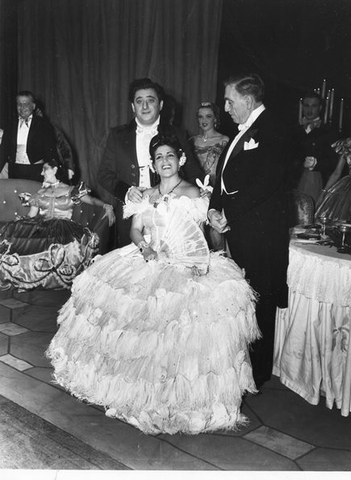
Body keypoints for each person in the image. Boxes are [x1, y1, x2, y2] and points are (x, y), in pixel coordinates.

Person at [46, 133, 259, 435]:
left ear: (181, 159)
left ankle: (179, 401)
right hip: (148, 258)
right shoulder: (145, 196)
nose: (165, 162)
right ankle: (139, 395)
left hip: (186, 266)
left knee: (183, 329)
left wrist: (210, 257)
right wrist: (144, 247)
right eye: (159, 157)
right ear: (153, 164)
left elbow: (206, 236)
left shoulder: (197, 195)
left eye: (170, 155)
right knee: (131, 324)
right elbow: (135, 230)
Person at [208, 73, 290, 390]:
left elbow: (265, 183)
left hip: (261, 235)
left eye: (229, 100)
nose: (226, 107)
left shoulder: (274, 129)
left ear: (248, 100)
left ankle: (256, 376)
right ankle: (243, 366)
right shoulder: (239, 133)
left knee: (259, 301)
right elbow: (223, 181)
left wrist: (228, 212)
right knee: (244, 299)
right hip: (239, 230)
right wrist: (213, 208)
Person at [97, 78, 204, 247]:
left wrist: (202, 194)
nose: (145, 106)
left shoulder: (177, 133)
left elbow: (193, 171)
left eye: (150, 100)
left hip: (169, 218)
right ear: (133, 107)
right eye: (139, 101)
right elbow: (103, 174)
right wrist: (126, 192)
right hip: (131, 216)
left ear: (160, 105)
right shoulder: (117, 135)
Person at [0, 159, 115, 290]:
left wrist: (106, 206)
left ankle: (54, 277)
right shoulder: (40, 193)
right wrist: (19, 222)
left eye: (44, 169)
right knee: (16, 236)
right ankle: (25, 276)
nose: (41, 173)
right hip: (42, 225)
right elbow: (32, 214)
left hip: (64, 227)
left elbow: (93, 201)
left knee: (61, 244)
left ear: (55, 170)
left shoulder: (72, 190)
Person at [189, 102, 229, 250]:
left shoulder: (224, 140)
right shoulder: (191, 141)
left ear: (215, 119)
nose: (204, 120)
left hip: (216, 191)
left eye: (208, 116)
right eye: (200, 116)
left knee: (215, 232)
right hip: (197, 191)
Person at [289, 92, 338, 203]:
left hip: (317, 182)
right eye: (306, 106)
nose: (309, 110)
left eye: (314, 106)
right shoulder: (293, 130)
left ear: (320, 108)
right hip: (294, 181)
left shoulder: (329, 132)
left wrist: (316, 164)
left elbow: (334, 162)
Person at [0, 91, 59, 183]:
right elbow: (3, 150)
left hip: (35, 170)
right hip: (15, 170)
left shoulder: (43, 124)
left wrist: (51, 171)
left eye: (26, 104)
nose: (22, 107)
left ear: (33, 106)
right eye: (19, 104)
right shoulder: (10, 124)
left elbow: (50, 150)